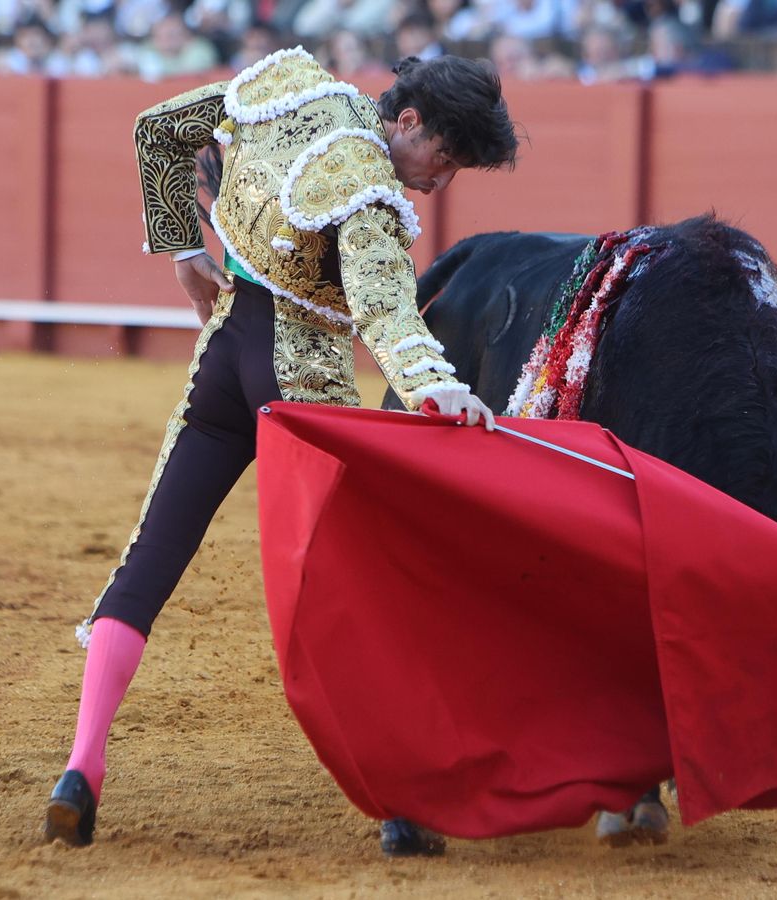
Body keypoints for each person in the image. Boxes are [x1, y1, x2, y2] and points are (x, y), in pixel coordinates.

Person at [42, 51, 516, 857]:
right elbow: (385, 314)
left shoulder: (289, 90)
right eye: (444, 158)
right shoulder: (366, 184)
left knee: (149, 559)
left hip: (224, 356)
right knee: (365, 583)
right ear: (408, 122)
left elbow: (156, 132)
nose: (438, 183)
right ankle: (398, 807)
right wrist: (440, 389)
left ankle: (81, 767)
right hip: (301, 381)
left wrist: (186, 256)